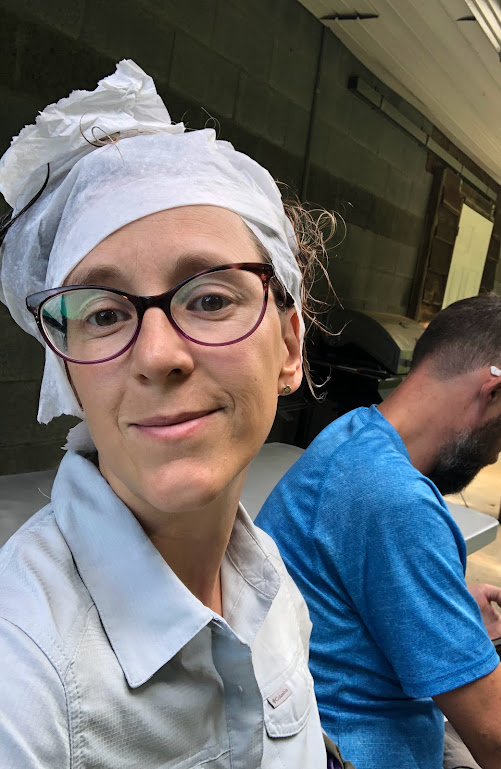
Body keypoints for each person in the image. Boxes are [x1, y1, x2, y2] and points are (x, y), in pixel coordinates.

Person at [0, 60, 340, 768]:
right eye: (103, 312)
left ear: (290, 343)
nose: (157, 353)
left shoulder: (273, 586)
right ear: (67, 370)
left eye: (210, 298)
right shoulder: (22, 667)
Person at [257, 294, 501, 769]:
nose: (494, 457)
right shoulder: (397, 500)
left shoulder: (352, 434)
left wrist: (446, 610)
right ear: (496, 392)